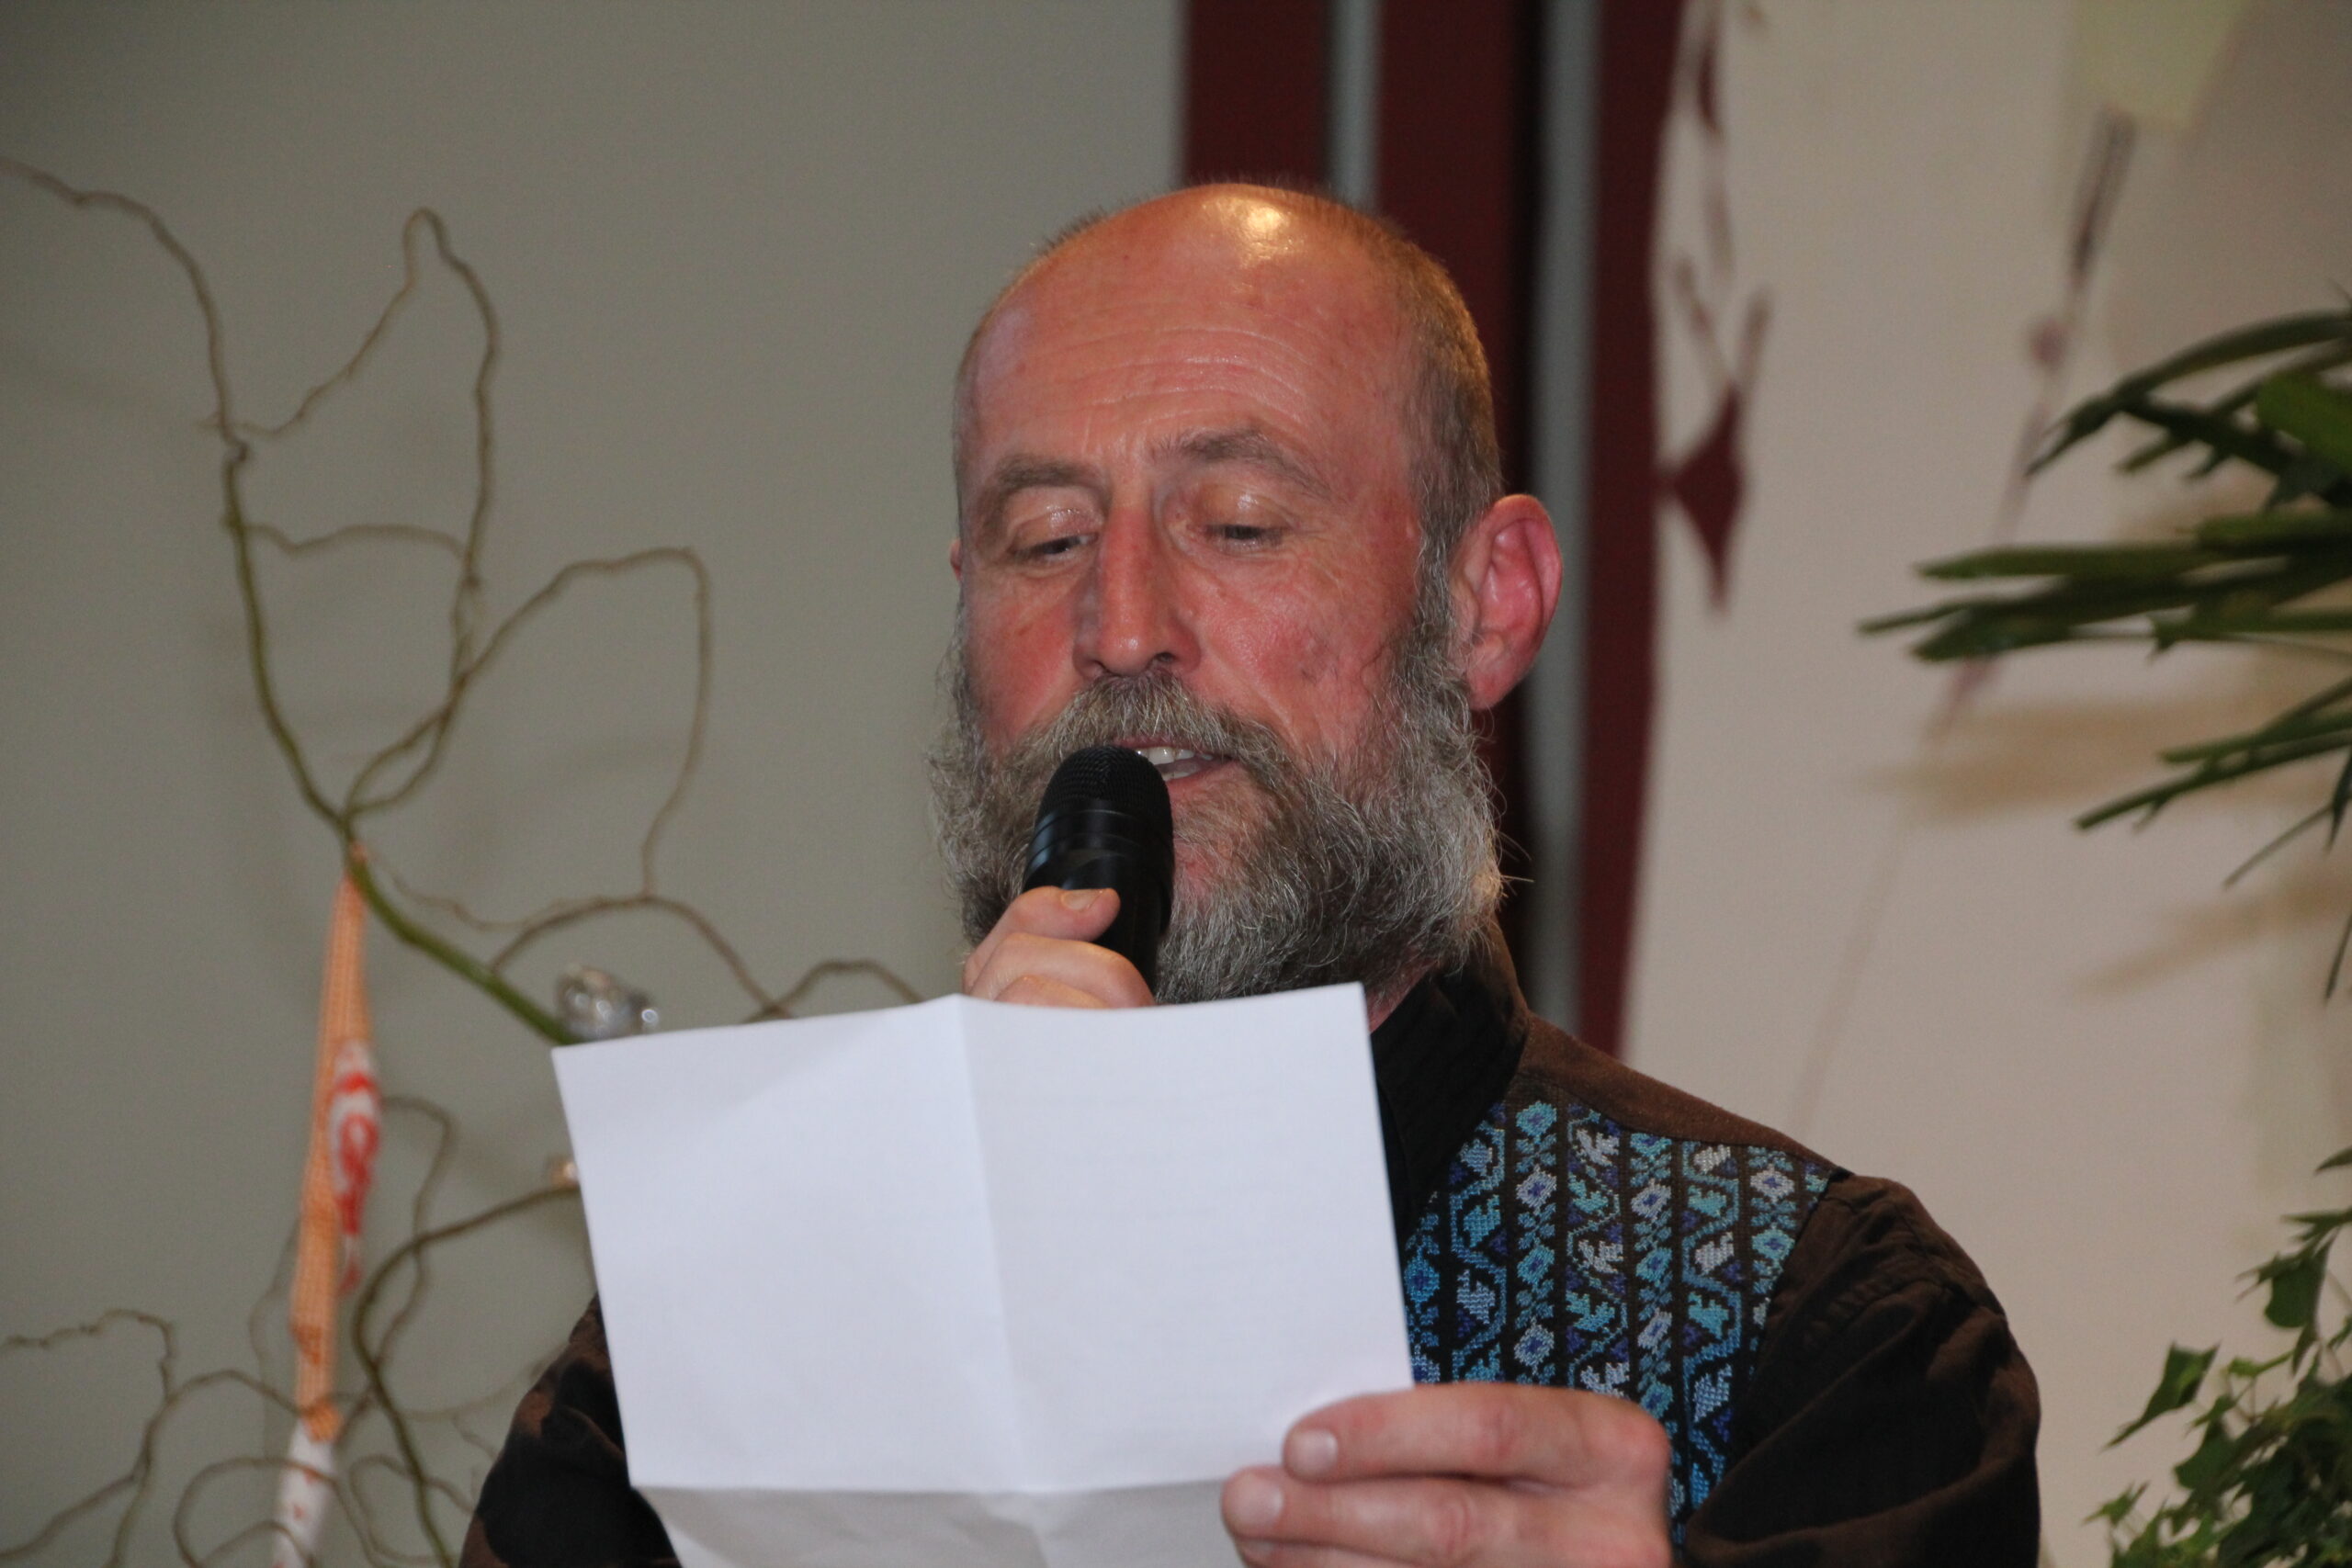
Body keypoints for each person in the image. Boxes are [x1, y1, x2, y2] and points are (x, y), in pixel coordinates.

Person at [463, 185, 2040, 1568]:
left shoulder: (1826, 1330)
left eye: (1239, 522)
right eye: (1044, 540)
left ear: (1486, 605)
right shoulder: (736, 1328)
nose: (1122, 627)